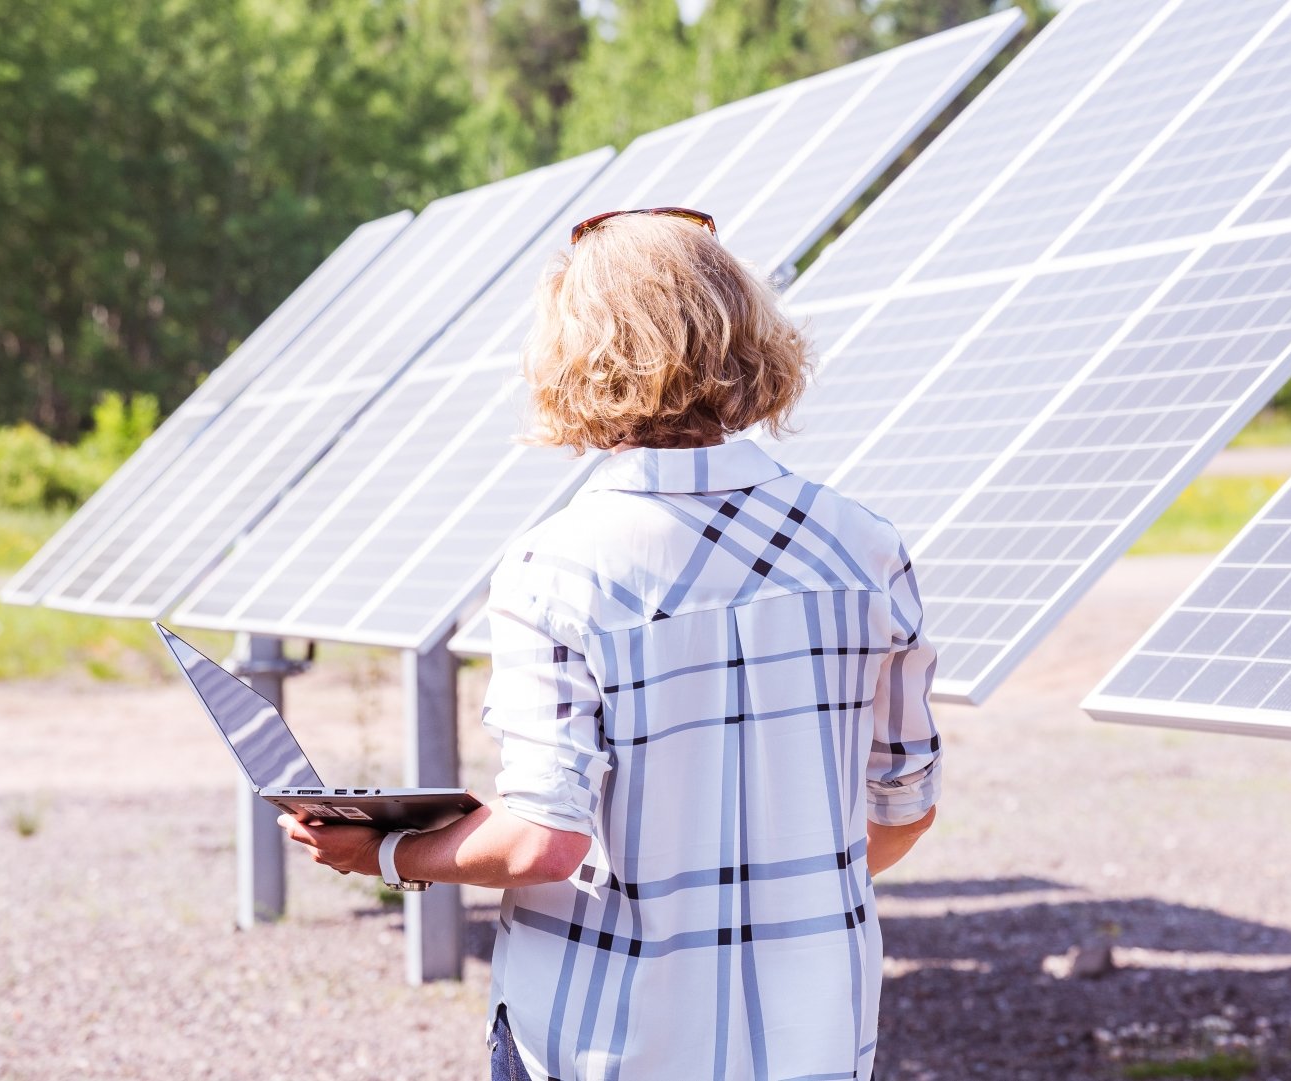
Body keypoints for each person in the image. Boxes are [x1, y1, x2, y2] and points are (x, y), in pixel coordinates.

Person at [281, 206, 942, 1080]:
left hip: (602, 1038)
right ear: (746, 330)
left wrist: (387, 850)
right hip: (817, 1041)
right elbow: (902, 808)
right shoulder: (865, 548)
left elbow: (542, 841)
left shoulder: (557, 566)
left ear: (572, 355)